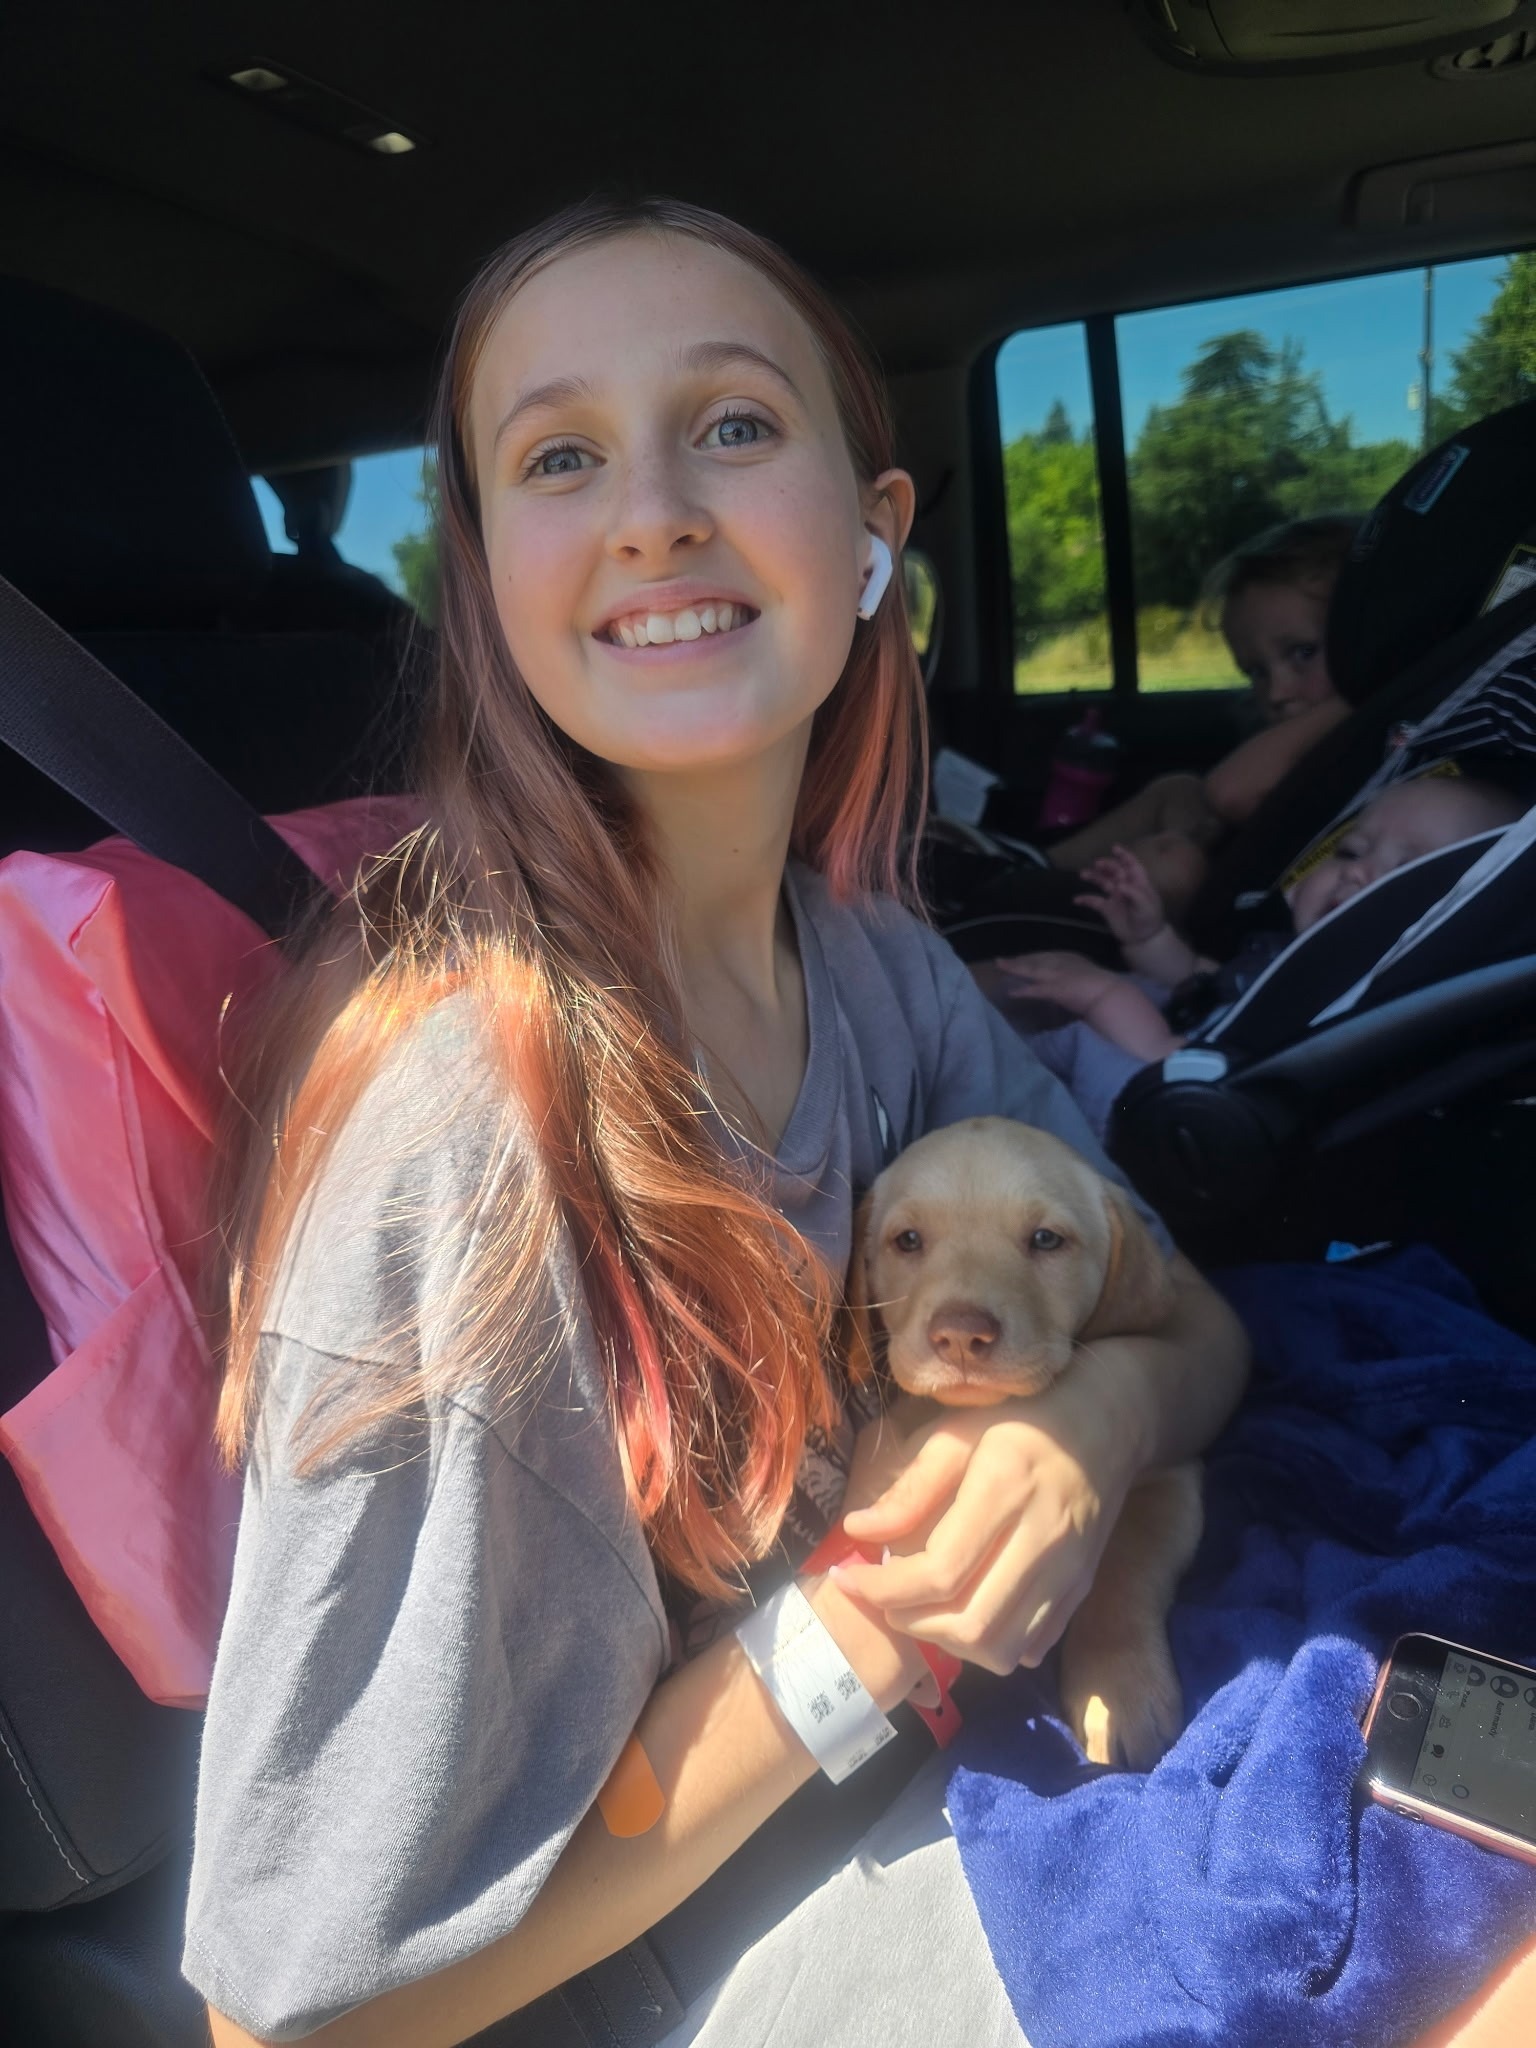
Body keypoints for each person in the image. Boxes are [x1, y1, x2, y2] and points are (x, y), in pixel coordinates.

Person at [184, 197, 1248, 2048]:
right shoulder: (470, 1134)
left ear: (876, 535)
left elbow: (1196, 1323)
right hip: (687, 1951)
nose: (654, 512)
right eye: (560, 457)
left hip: (948, 1779)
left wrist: (1088, 1424)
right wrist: (875, 1624)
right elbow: (290, 2016)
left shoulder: (879, 965)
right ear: (484, 575)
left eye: (735, 425)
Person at [998, 772, 1527, 1137]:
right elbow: (1209, 984)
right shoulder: (1296, 960)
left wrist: (1105, 996)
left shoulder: (1352, 1008)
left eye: (1406, 875)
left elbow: (1197, 1070)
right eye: (1350, 850)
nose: (1356, 872)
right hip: (1175, 1049)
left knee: (1066, 1037)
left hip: (1183, 1104)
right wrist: (1149, 938)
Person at [1042, 517, 1358, 918]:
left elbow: (1230, 793)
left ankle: (1038, 889)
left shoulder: (1363, 720)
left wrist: (1367, 692)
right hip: (1244, 865)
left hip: (1239, 916)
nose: (1276, 693)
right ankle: (1034, 866)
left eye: (1303, 653)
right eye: (1256, 672)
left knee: (1174, 862)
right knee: (1178, 789)